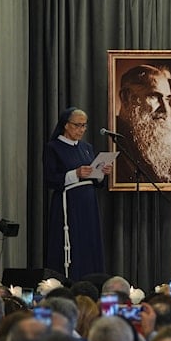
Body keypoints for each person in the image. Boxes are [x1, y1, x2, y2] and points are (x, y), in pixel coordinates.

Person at [43, 107, 112, 279]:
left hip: (88, 205)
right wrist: (76, 173)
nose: (81, 129)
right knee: (72, 244)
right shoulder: (53, 148)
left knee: (88, 243)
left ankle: (91, 281)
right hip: (68, 204)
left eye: (84, 126)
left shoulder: (86, 147)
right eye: (77, 125)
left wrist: (101, 173)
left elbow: (96, 182)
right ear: (66, 125)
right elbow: (50, 179)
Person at [115, 64, 171, 184]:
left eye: (167, 99)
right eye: (154, 96)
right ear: (126, 98)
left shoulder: (163, 143)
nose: (166, 110)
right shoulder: (112, 144)